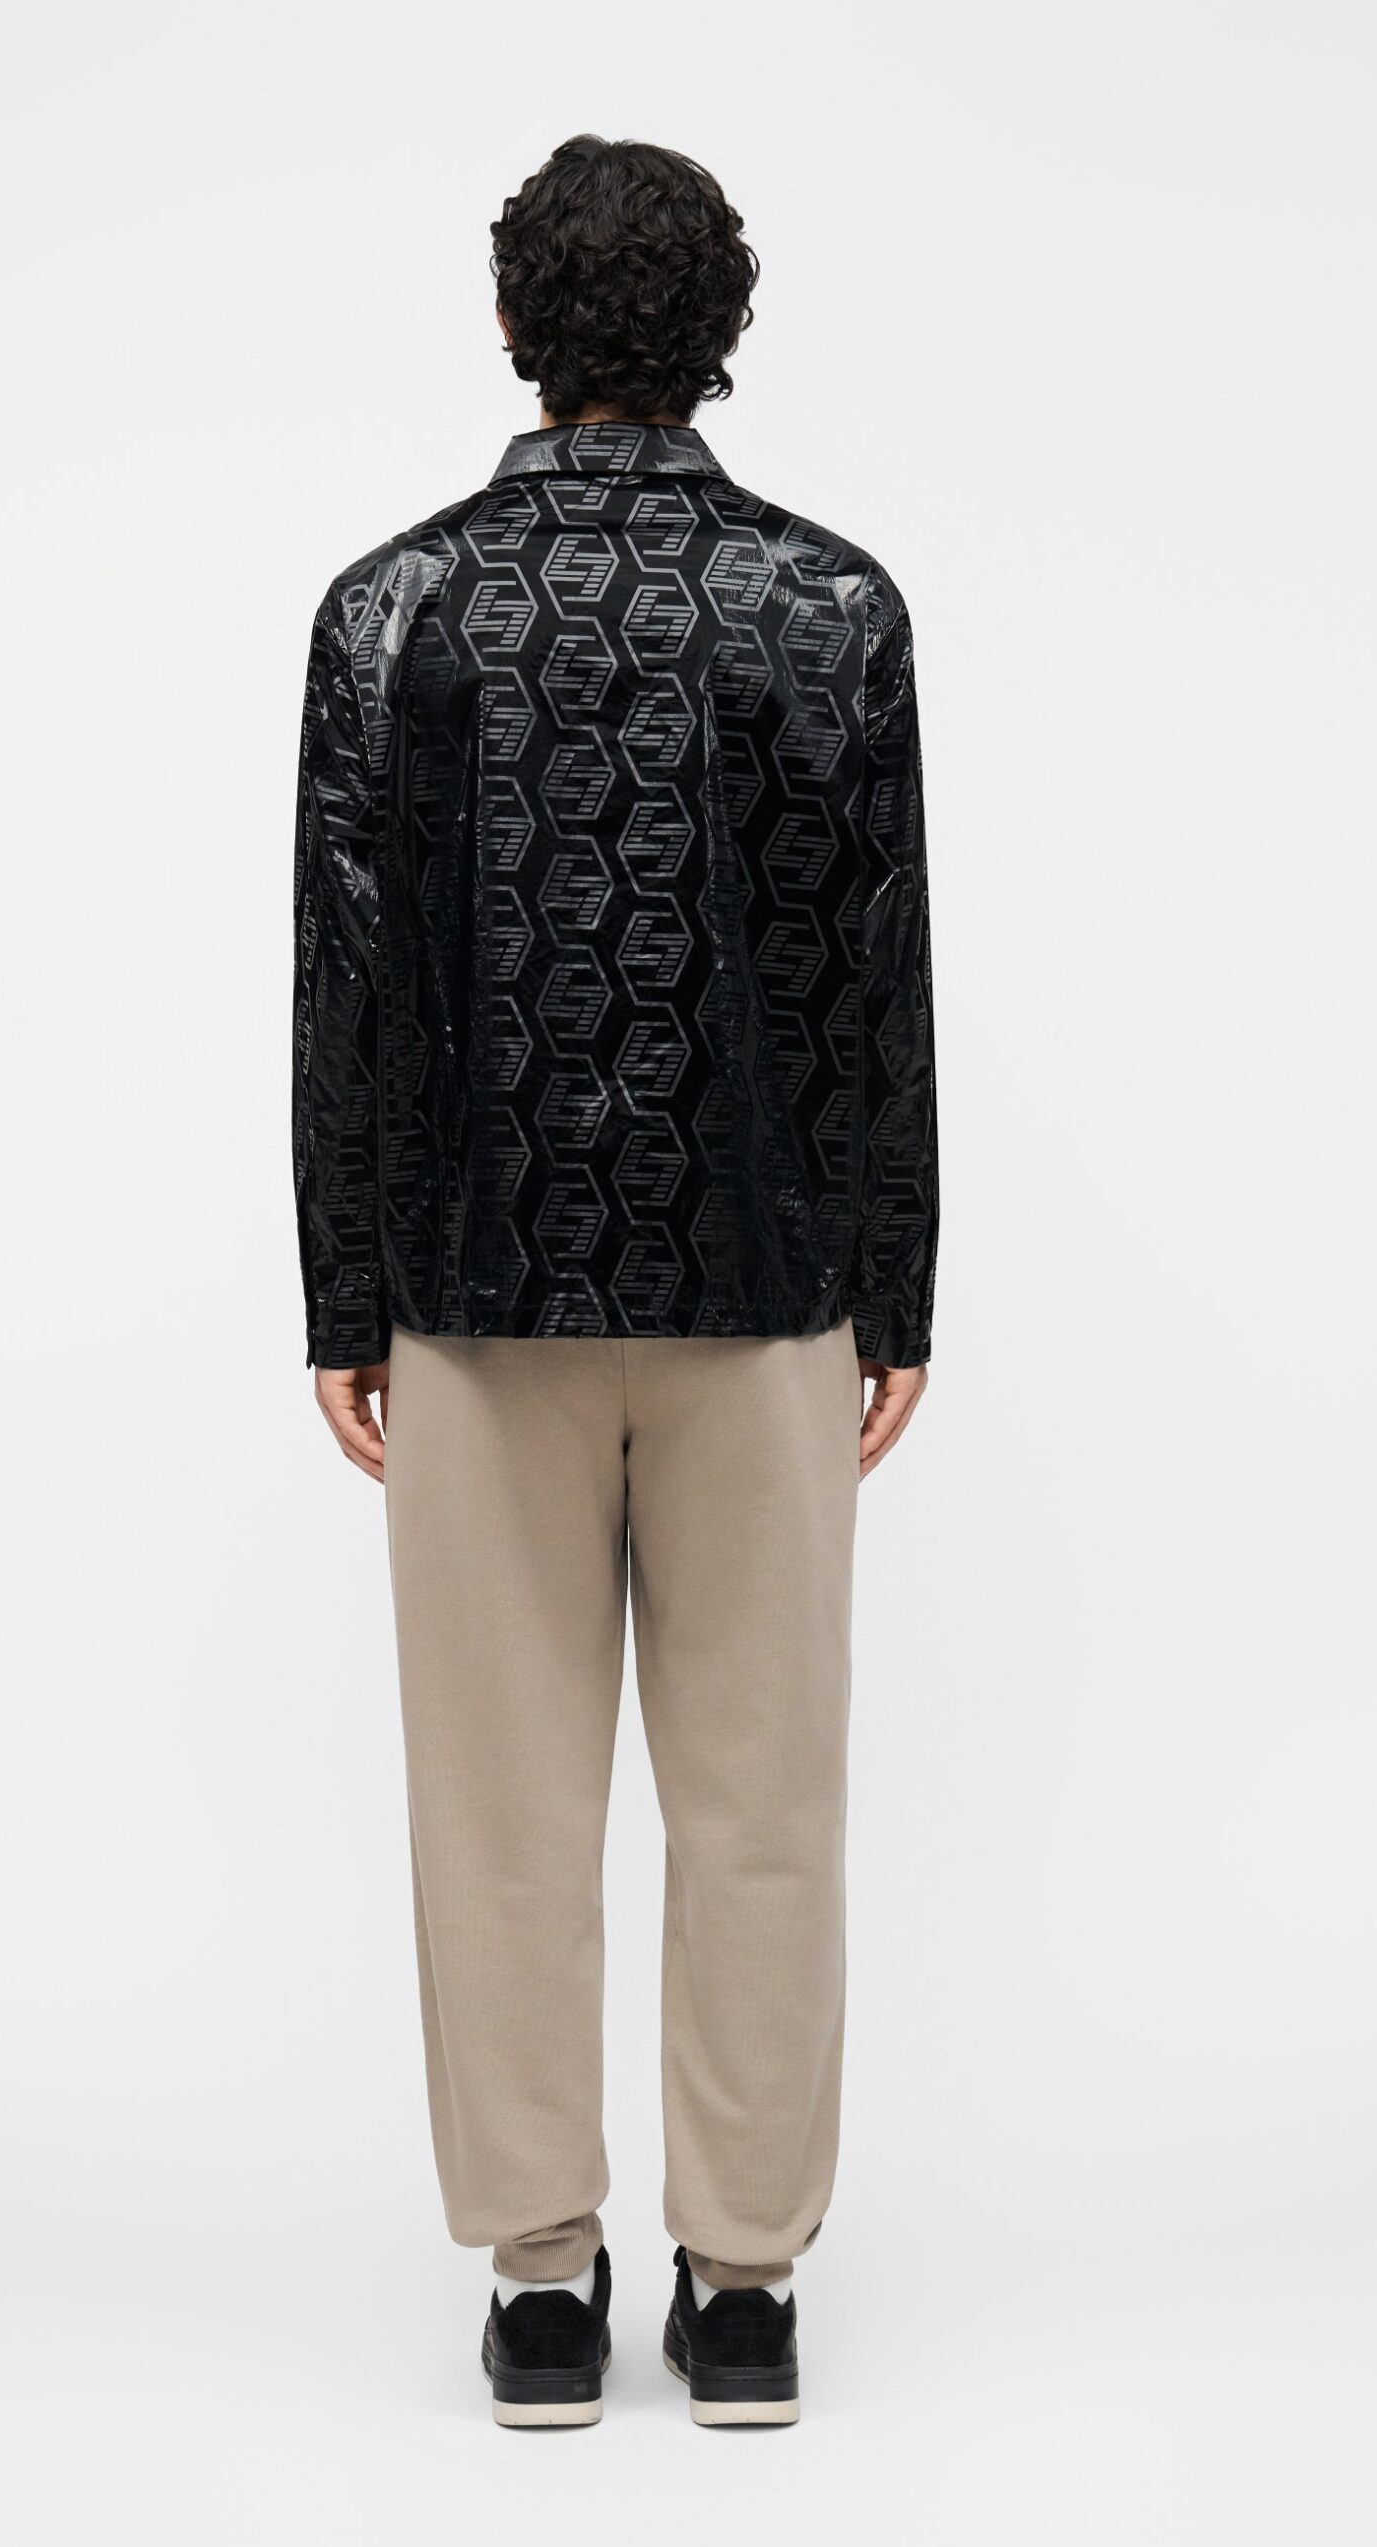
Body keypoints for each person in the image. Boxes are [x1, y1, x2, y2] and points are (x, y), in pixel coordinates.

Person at [291, 133, 938, 2428]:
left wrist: (341, 1296)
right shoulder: (827, 604)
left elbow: (345, 977)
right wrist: (894, 1287)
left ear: (512, 326)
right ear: (719, 331)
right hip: (766, 1290)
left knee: (498, 1806)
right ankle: (741, 2287)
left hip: (474, 1293)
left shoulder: (391, 608)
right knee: (762, 1800)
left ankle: (546, 2281)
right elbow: (876, 977)